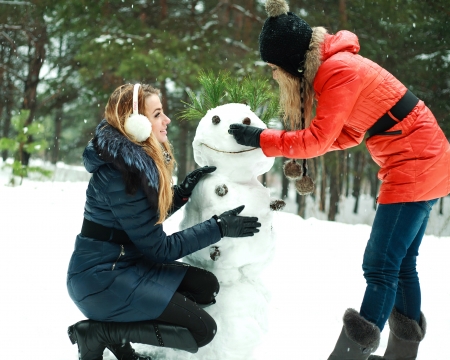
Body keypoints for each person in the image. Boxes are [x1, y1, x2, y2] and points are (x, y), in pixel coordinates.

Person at [228, 1, 450, 359]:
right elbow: (344, 136)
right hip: (424, 157)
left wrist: (262, 139)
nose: (273, 74)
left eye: (273, 67)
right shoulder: (334, 65)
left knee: (379, 264)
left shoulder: (337, 70)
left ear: (289, 60)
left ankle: (348, 356)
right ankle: (402, 354)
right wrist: (293, 143)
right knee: (401, 262)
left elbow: (317, 140)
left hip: (415, 162)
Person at [66, 83, 261, 360]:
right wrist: (219, 227)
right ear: (135, 124)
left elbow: (139, 221)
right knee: (202, 330)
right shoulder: (121, 175)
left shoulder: (132, 162)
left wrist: (180, 194)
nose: (166, 120)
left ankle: (119, 324)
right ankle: (102, 333)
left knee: (206, 287)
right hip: (101, 279)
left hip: (125, 264)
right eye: (157, 114)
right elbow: (160, 250)